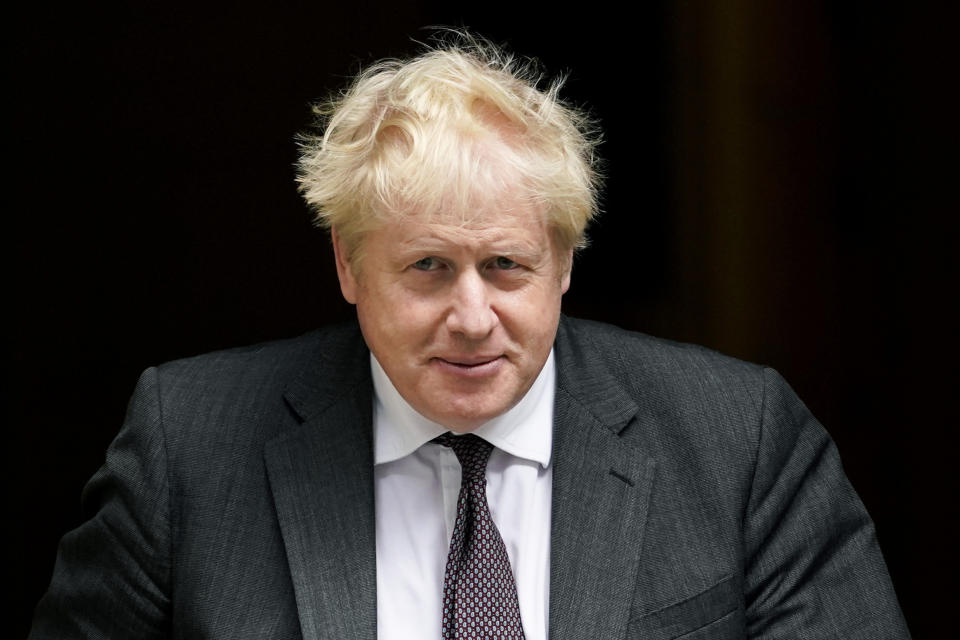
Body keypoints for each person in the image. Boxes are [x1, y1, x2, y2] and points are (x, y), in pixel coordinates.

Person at [31, 33, 910, 639]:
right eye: (426, 268)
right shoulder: (188, 447)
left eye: (506, 266)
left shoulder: (739, 439)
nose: (472, 317)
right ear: (347, 265)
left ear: (563, 260)